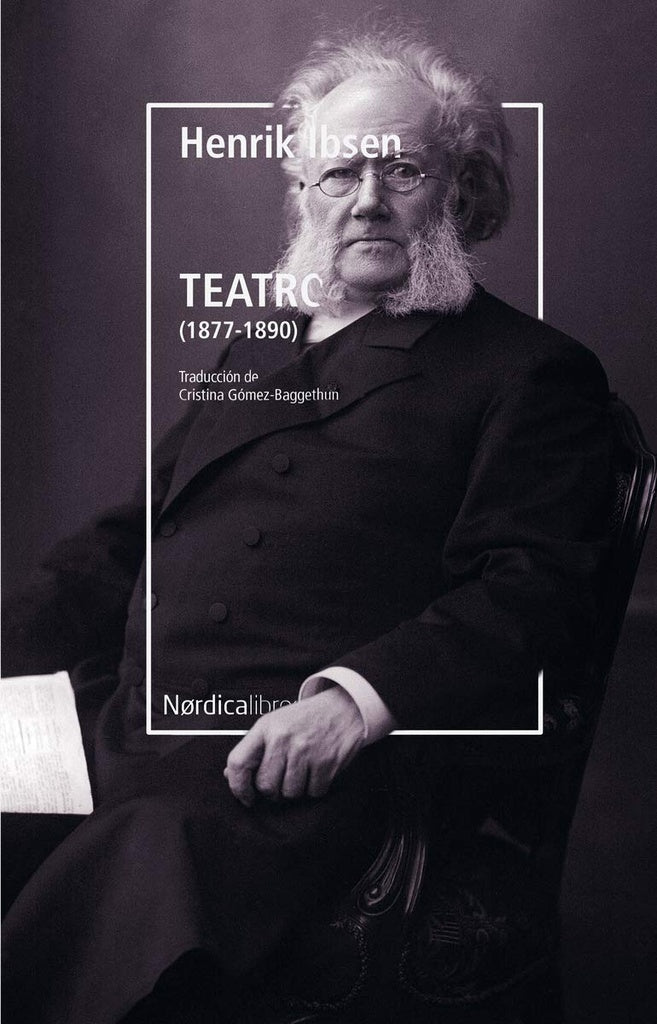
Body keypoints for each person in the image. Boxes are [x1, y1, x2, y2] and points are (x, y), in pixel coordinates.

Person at [2, 28, 611, 1024]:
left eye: (401, 170)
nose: (367, 199)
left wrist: (356, 700)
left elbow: (532, 591)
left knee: (135, 864)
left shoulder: (527, 372)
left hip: (292, 767)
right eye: (339, 174)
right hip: (131, 720)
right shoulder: (254, 347)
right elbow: (126, 540)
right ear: (302, 194)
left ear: (460, 187)